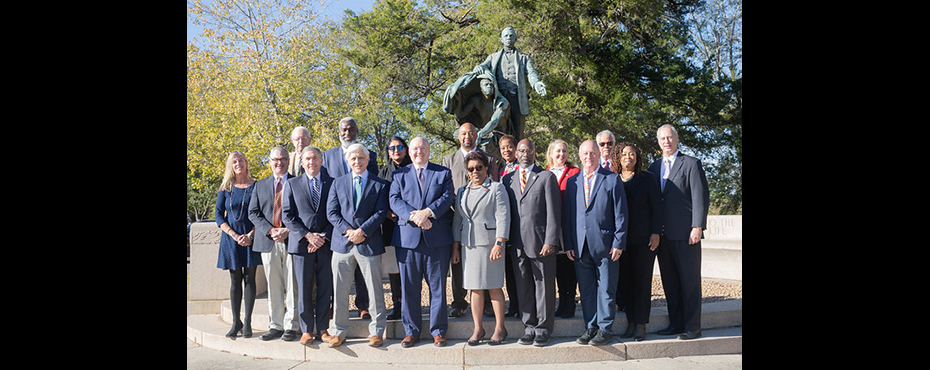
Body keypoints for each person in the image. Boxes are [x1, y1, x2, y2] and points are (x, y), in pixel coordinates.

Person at [389, 137, 455, 348]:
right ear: (410, 152)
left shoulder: (442, 173)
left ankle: (438, 331)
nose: (419, 152)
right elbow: (394, 199)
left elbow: (447, 198)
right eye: (415, 149)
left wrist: (428, 213)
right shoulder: (399, 175)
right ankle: (411, 331)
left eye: (423, 148)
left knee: (437, 288)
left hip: (437, 240)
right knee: (409, 288)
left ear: (428, 150)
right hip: (408, 240)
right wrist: (414, 216)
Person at [562, 140, 628, 346]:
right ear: (580, 156)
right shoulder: (574, 182)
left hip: (606, 245)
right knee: (587, 290)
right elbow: (568, 216)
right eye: (584, 153)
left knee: (607, 288)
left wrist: (619, 242)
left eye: (592, 153)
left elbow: (621, 214)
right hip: (581, 246)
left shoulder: (612, 179)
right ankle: (590, 327)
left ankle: (605, 328)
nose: (588, 156)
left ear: (599, 154)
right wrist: (569, 244)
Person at [646, 124, 709, 340]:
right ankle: (675, 323)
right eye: (663, 138)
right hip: (663, 236)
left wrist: (698, 226)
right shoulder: (654, 168)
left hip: (686, 234)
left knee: (689, 282)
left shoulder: (691, 164)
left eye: (670, 137)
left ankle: (692, 326)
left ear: (677, 138)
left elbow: (700, 196)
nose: (666, 141)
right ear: (658, 141)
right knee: (670, 282)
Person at [325, 143, 390, 348]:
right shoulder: (337, 183)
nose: (357, 162)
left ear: (368, 160)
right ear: (348, 161)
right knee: (340, 290)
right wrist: (349, 231)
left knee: (375, 290)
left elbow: (381, 213)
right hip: (342, 243)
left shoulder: (379, 184)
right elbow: (332, 213)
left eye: (361, 158)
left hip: (368, 242)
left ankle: (377, 331)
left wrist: (362, 231)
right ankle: (339, 331)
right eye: (353, 158)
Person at [500, 139, 561, 347]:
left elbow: (554, 212)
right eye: (521, 150)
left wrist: (551, 240)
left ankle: (543, 328)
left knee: (544, 287)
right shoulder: (507, 180)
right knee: (523, 287)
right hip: (517, 245)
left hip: (541, 243)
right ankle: (529, 327)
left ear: (535, 153)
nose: (525, 154)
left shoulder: (546, 177)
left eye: (529, 150)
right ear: (516, 154)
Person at [451, 151, 511, 346]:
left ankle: (500, 329)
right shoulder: (462, 191)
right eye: (471, 169)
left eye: (479, 167)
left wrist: (499, 242)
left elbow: (503, 216)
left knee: (494, 287)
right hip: (469, 245)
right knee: (474, 289)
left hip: (490, 245)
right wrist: (456, 247)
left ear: (486, 168)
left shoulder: (496, 188)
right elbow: (457, 221)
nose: (475, 171)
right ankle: (478, 328)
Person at [322, 117, 378, 320]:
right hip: (337, 224)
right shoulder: (327, 156)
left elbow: (374, 188)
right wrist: (343, 227)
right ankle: (335, 308)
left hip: (364, 227)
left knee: (363, 273)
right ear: (339, 132)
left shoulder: (370, 155)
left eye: (352, 129)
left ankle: (363, 305)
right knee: (336, 274)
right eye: (344, 130)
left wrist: (363, 228)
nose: (348, 133)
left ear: (357, 131)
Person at [441, 122, 499, 318]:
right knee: (457, 263)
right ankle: (459, 302)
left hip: (484, 223)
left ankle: (489, 304)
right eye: (464, 133)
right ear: (458, 137)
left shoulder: (490, 159)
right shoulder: (447, 160)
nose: (468, 136)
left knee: (485, 262)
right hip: (457, 219)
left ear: (477, 135)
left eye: (471, 133)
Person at [609, 142, 663, 341]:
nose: (628, 157)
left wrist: (656, 232)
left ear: (637, 157)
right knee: (625, 283)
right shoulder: (613, 180)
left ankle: (641, 324)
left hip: (644, 240)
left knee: (641, 282)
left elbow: (657, 208)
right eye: (624, 154)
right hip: (621, 241)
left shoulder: (647, 178)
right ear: (618, 158)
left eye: (632, 154)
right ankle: (630, 322)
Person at [282, 146, 335, 345]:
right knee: (303, 289)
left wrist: (323, 236)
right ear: (301, 163)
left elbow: (336, 213)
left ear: (321, 161)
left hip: (326, 243)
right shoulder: (292, 184)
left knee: (324, 288)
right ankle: (306, 330)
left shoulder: (332, 183)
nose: (311, 162)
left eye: (315, 158)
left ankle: (322, 328)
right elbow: (288, 215)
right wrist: (308, 236)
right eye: (307, 159)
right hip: (302, 245)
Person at [247, 146, 300, 341]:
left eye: (283, 159)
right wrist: (270, 231)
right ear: (269, 161)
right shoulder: (259, 186)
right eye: (275, 159)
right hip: (268, 242)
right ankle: (276, 325)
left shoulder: (298, 182)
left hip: (291, 240)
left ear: (289, 161)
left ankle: (291, 326)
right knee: (274, 285)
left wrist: (288, 230)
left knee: (292, 285)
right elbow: (253, 213)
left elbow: (303, 212)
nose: (279, 163)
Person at [473, 27, 547, 145]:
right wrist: (478, 67)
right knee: (497, 127)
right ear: (501, 39)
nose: (509, 38)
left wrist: (537, 83)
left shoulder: (524, 58)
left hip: (517, 99)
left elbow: (531, 73)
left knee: (518, 134)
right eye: (506, 36)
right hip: (500, 98)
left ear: (516, 38)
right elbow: (482, 66)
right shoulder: (493, 57)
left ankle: (519, 160)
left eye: (511, 35)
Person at [214, 151, 260, 339]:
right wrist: (233, 234)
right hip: (231, 240)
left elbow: (262, 214)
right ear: (231, 166)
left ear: (246, 163)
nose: (238, 163)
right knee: (235, 280)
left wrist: (250, 235)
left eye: (241, 160)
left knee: (250, 279)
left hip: (251, 239)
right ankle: (236, 322)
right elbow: (218, 215)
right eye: (234, 161)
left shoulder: (256, 186)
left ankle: (247, 322)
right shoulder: (226, 188)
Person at [544, 139, 581, 318]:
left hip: (568, 226)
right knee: (557, 266)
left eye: (564, 151)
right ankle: (561, 301)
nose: (561, 154)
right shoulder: (543, 173)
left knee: (569, 265)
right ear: (550, 153)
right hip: (551, 228)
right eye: (557, 151)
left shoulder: (575, 173)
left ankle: (570, 301)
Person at [378, 136, 412, 321]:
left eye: (399, 147)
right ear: (388, 152)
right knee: (394, 270)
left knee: (411, 268)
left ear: (406, 149)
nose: (396, 151)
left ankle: (411, 304)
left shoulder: (413, 168)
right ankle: (397, 305)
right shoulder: (383, 173)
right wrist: (391, 215)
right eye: (392, 148)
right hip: (391, 227)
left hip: (412, 226)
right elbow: (380, 200)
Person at [497, 134, 520, 317]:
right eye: (503, 148)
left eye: (510, 147)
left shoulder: (523, 169)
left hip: (521, 224)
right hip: (507, 226)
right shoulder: (500, 170)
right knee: (509, 270)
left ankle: (524, 305)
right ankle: (513, 305)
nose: (507, 150)